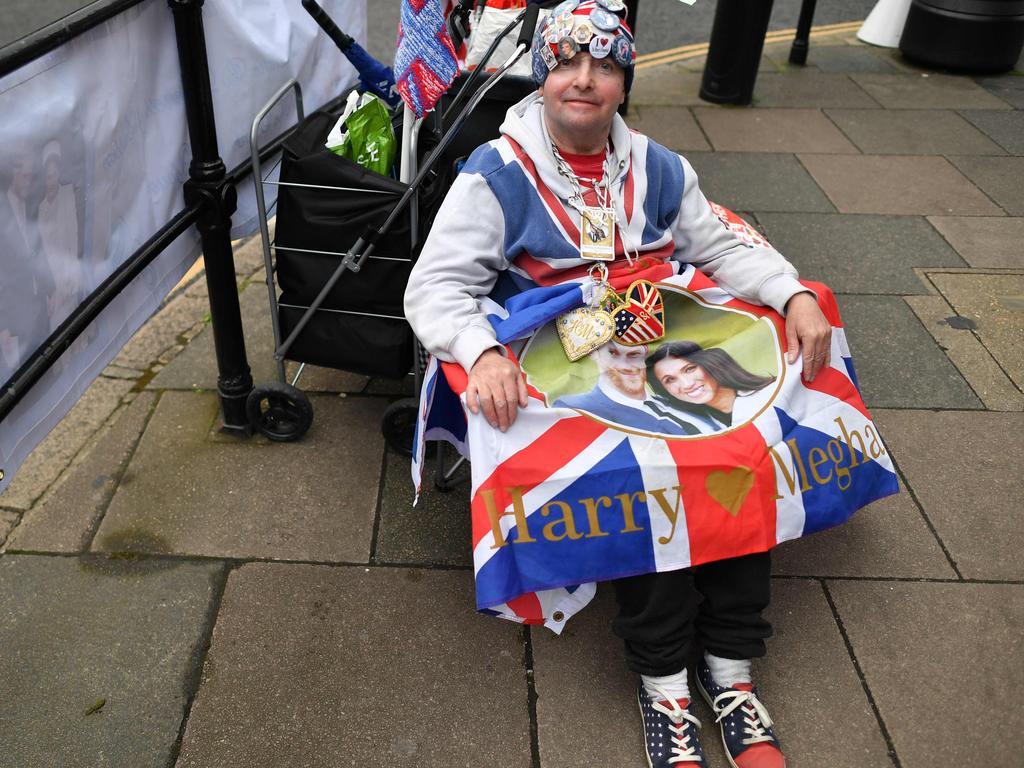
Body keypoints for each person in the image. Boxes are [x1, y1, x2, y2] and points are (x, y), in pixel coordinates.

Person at [404, 3, 832, 766]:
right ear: (543, 72)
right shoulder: (496, 175)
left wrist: (792, 291)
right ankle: (666, 681)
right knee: (646, 473)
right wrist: (485, 352)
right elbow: (434, 288)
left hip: (660, 343)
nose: (583, 79)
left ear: (626, 81)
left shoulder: (661, 167)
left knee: (743, 442)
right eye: (566, 60)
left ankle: (731, 670)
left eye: (604, 64)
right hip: (555, 367)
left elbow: (722, 246)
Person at [553, 338, 719, 435]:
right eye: (613, 354)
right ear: (594, 354)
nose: (627, 366)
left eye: (634, 355)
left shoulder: (679, 399)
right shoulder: (578, 408)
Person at [648, 340, 777, 431]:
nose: (687, 384)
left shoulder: (771, 393)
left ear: (708, 363)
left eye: (689, 369)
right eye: (670, 380)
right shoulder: (694, 426)